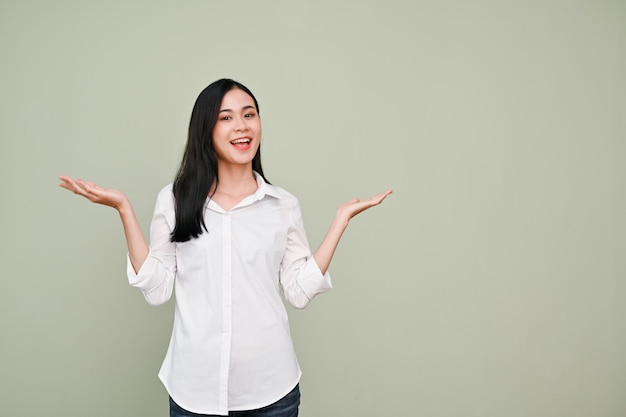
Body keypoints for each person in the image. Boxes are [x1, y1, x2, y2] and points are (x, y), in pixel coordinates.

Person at [59, 78, 392, 417]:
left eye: (249, 115)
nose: (242, 126)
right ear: (206, 130)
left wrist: (339, 222)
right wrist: (124, 209)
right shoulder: (175, 200)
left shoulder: (283, 206)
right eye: (226, 117)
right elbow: (157, 290)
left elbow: (298, 291)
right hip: (194, 391)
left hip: (272, 391)